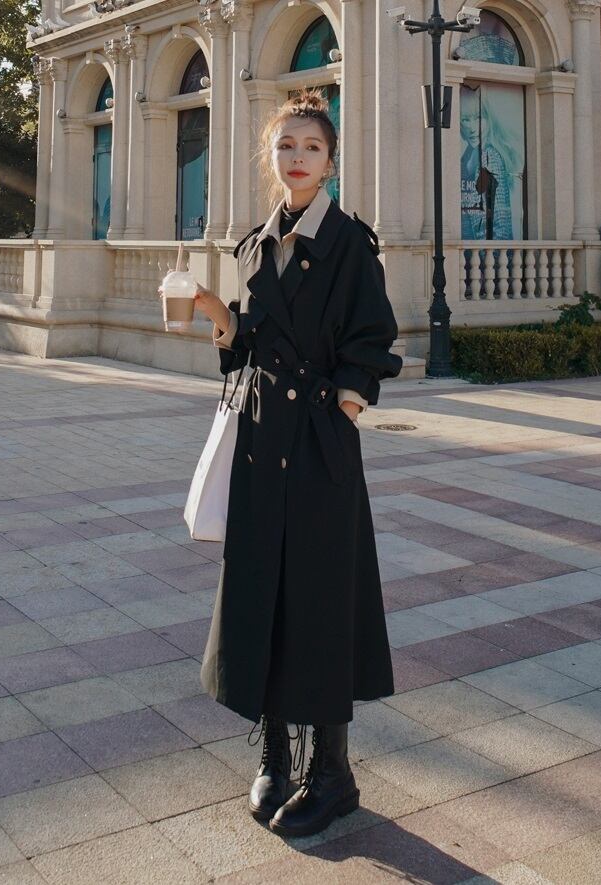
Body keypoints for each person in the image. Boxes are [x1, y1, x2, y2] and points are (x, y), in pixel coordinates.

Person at [192, 88, 402, 838]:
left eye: (311, 146)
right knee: (263, 593)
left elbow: (373, 337)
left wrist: (343, 407)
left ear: (330, 160)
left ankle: (332, 773)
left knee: (320, 599)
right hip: (259, 439)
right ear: (269, 156)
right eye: (285, 145)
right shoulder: (253, 243)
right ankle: (276, 755)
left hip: (316, 444)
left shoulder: (349, 242)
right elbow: (250, 345)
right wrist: (219, 319)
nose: (298, 157)